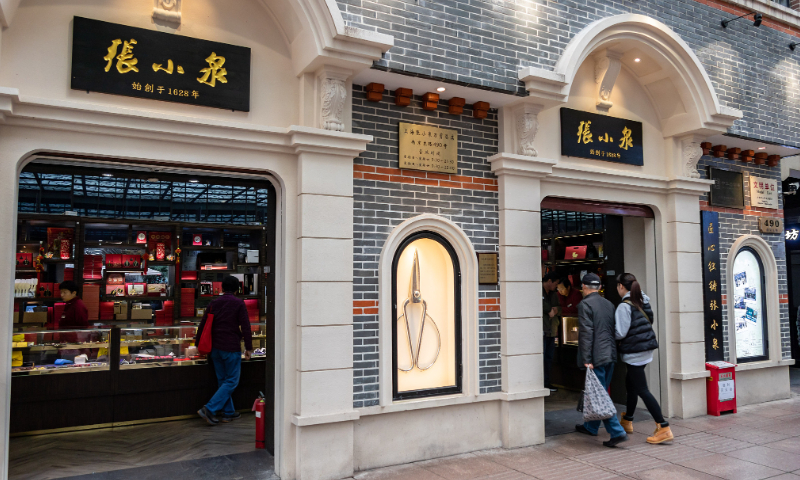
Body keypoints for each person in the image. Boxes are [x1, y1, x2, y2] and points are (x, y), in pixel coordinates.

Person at [615, 273, 673, 444]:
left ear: (621, 286)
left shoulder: (624, 306)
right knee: (631, 385)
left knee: (642, 390)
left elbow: (620, 332)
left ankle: (663, 427)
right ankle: (627, 421)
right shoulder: (643, 301)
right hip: (645, 350)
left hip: (634, 352)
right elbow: (650, 320)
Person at [575, 273, 628, 447]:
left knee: (600, 396)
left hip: (596, 356)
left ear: (584, 286)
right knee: (601, 391)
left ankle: (617, 431)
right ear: (598, 287)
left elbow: (586, 333)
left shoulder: (585, 305)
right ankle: (591, 427)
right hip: (610, 355)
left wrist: (587, 359)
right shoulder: (609, 304)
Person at [196, 276, 254, 426]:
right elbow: (246, 326)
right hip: (231, 347)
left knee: (223, 381)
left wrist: (198, 344)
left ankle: (228, 413)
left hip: (215, 348)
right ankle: (209, 409)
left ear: (221, 288)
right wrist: (249, 347)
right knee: (232, 381)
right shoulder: (239, 303)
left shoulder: (214, 303)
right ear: (237, 289)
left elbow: (203, 324)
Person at [542, 272, 561, 392]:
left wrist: (555, 310)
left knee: (549, 358)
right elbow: (538, 303)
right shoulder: (537, 290)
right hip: (542, 330)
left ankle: (547, 382)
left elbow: (559, 307)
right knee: (541, 358)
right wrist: (549, 309)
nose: (556, 286)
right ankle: (541, 383)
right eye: (555, 283)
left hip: (551, 331)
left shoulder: (554, 294)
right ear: (549, 281)